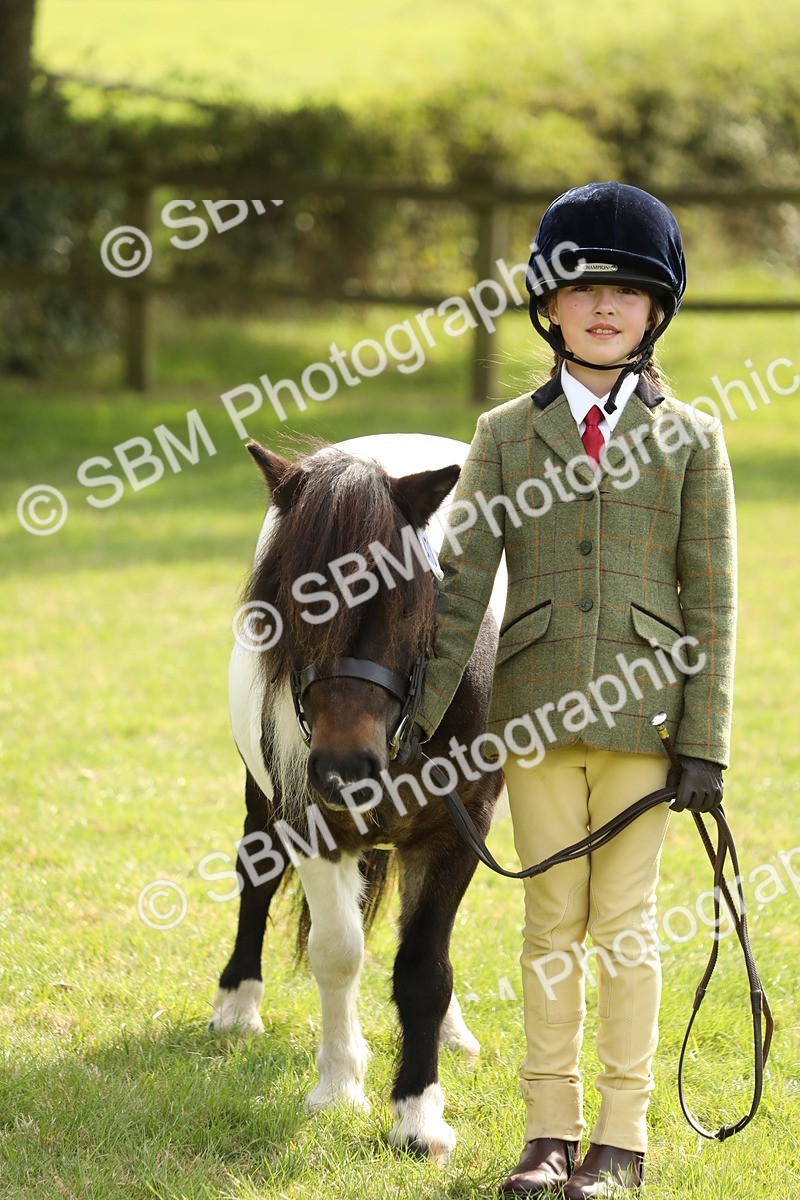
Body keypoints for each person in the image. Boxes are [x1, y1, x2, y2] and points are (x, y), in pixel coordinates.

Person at [414, 182, 737, 1197]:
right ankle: (547, 1134)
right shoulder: (505, 434)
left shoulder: (692, 442)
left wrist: (705, 740)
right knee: (548, 922)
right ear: (547, 308)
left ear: (654, 313)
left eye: (626, 292)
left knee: (625, 928)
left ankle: (621, 1142)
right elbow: (460, 585)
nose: (603, 306)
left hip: (647, 722)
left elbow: (712, 603)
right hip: (537, 714)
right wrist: (418, 725)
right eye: (582, 289)